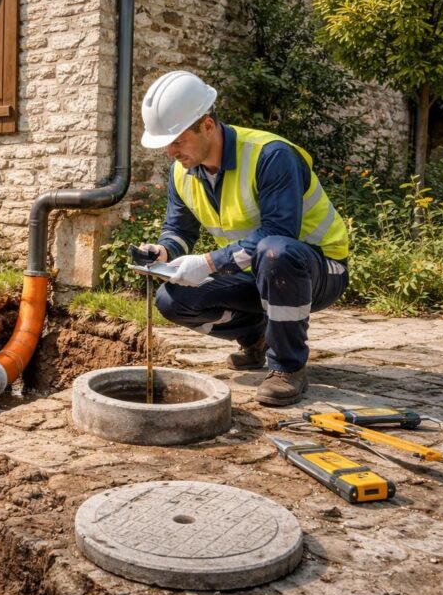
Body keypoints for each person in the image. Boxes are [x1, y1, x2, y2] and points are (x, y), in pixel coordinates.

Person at [137, 70, 349, 406]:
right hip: (254, 270)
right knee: (172, 300)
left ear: (207, 124)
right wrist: (163, 252)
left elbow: (279, 234)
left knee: (276, 252)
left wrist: (208, 263)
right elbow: (180, 230)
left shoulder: (270, 155)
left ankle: (287, 367)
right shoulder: (182, 172)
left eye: (177, 139)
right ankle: (257, 339)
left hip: (318, 269)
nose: (170, 151)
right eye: (167, 143)